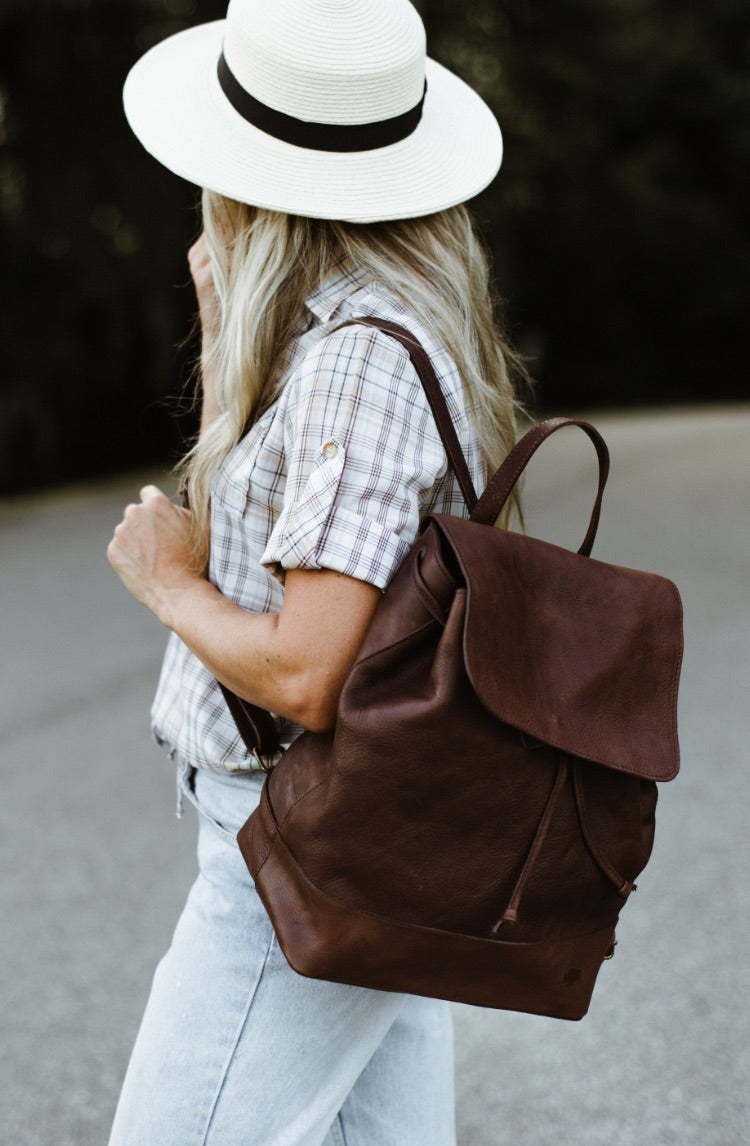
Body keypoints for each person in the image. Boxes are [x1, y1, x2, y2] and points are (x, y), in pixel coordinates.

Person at [107, 1, 525, 1142]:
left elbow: (305, 675)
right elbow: (262, 526)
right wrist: (224, 319)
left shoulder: (358, 363)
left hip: (301, 856)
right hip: (353, 842)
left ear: (246, 178)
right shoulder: (343, 339)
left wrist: (163, 581)